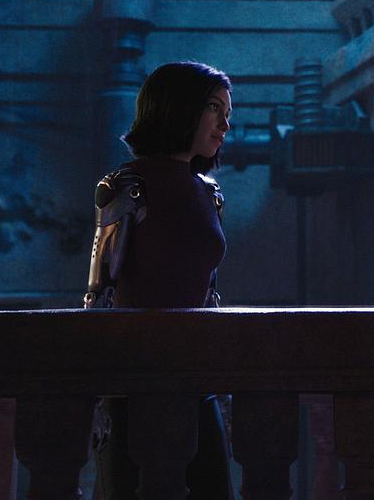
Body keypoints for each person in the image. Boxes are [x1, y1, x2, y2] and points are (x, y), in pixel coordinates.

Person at [85, 61, 234, 500]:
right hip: (135, 377)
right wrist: (100, 391)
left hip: (197, 376)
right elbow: (99, 294)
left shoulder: (209, 192)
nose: (225, 124)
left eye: (227, 112)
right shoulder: (127, 186)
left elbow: (208, 292)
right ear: (178, 107)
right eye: (214, 108)